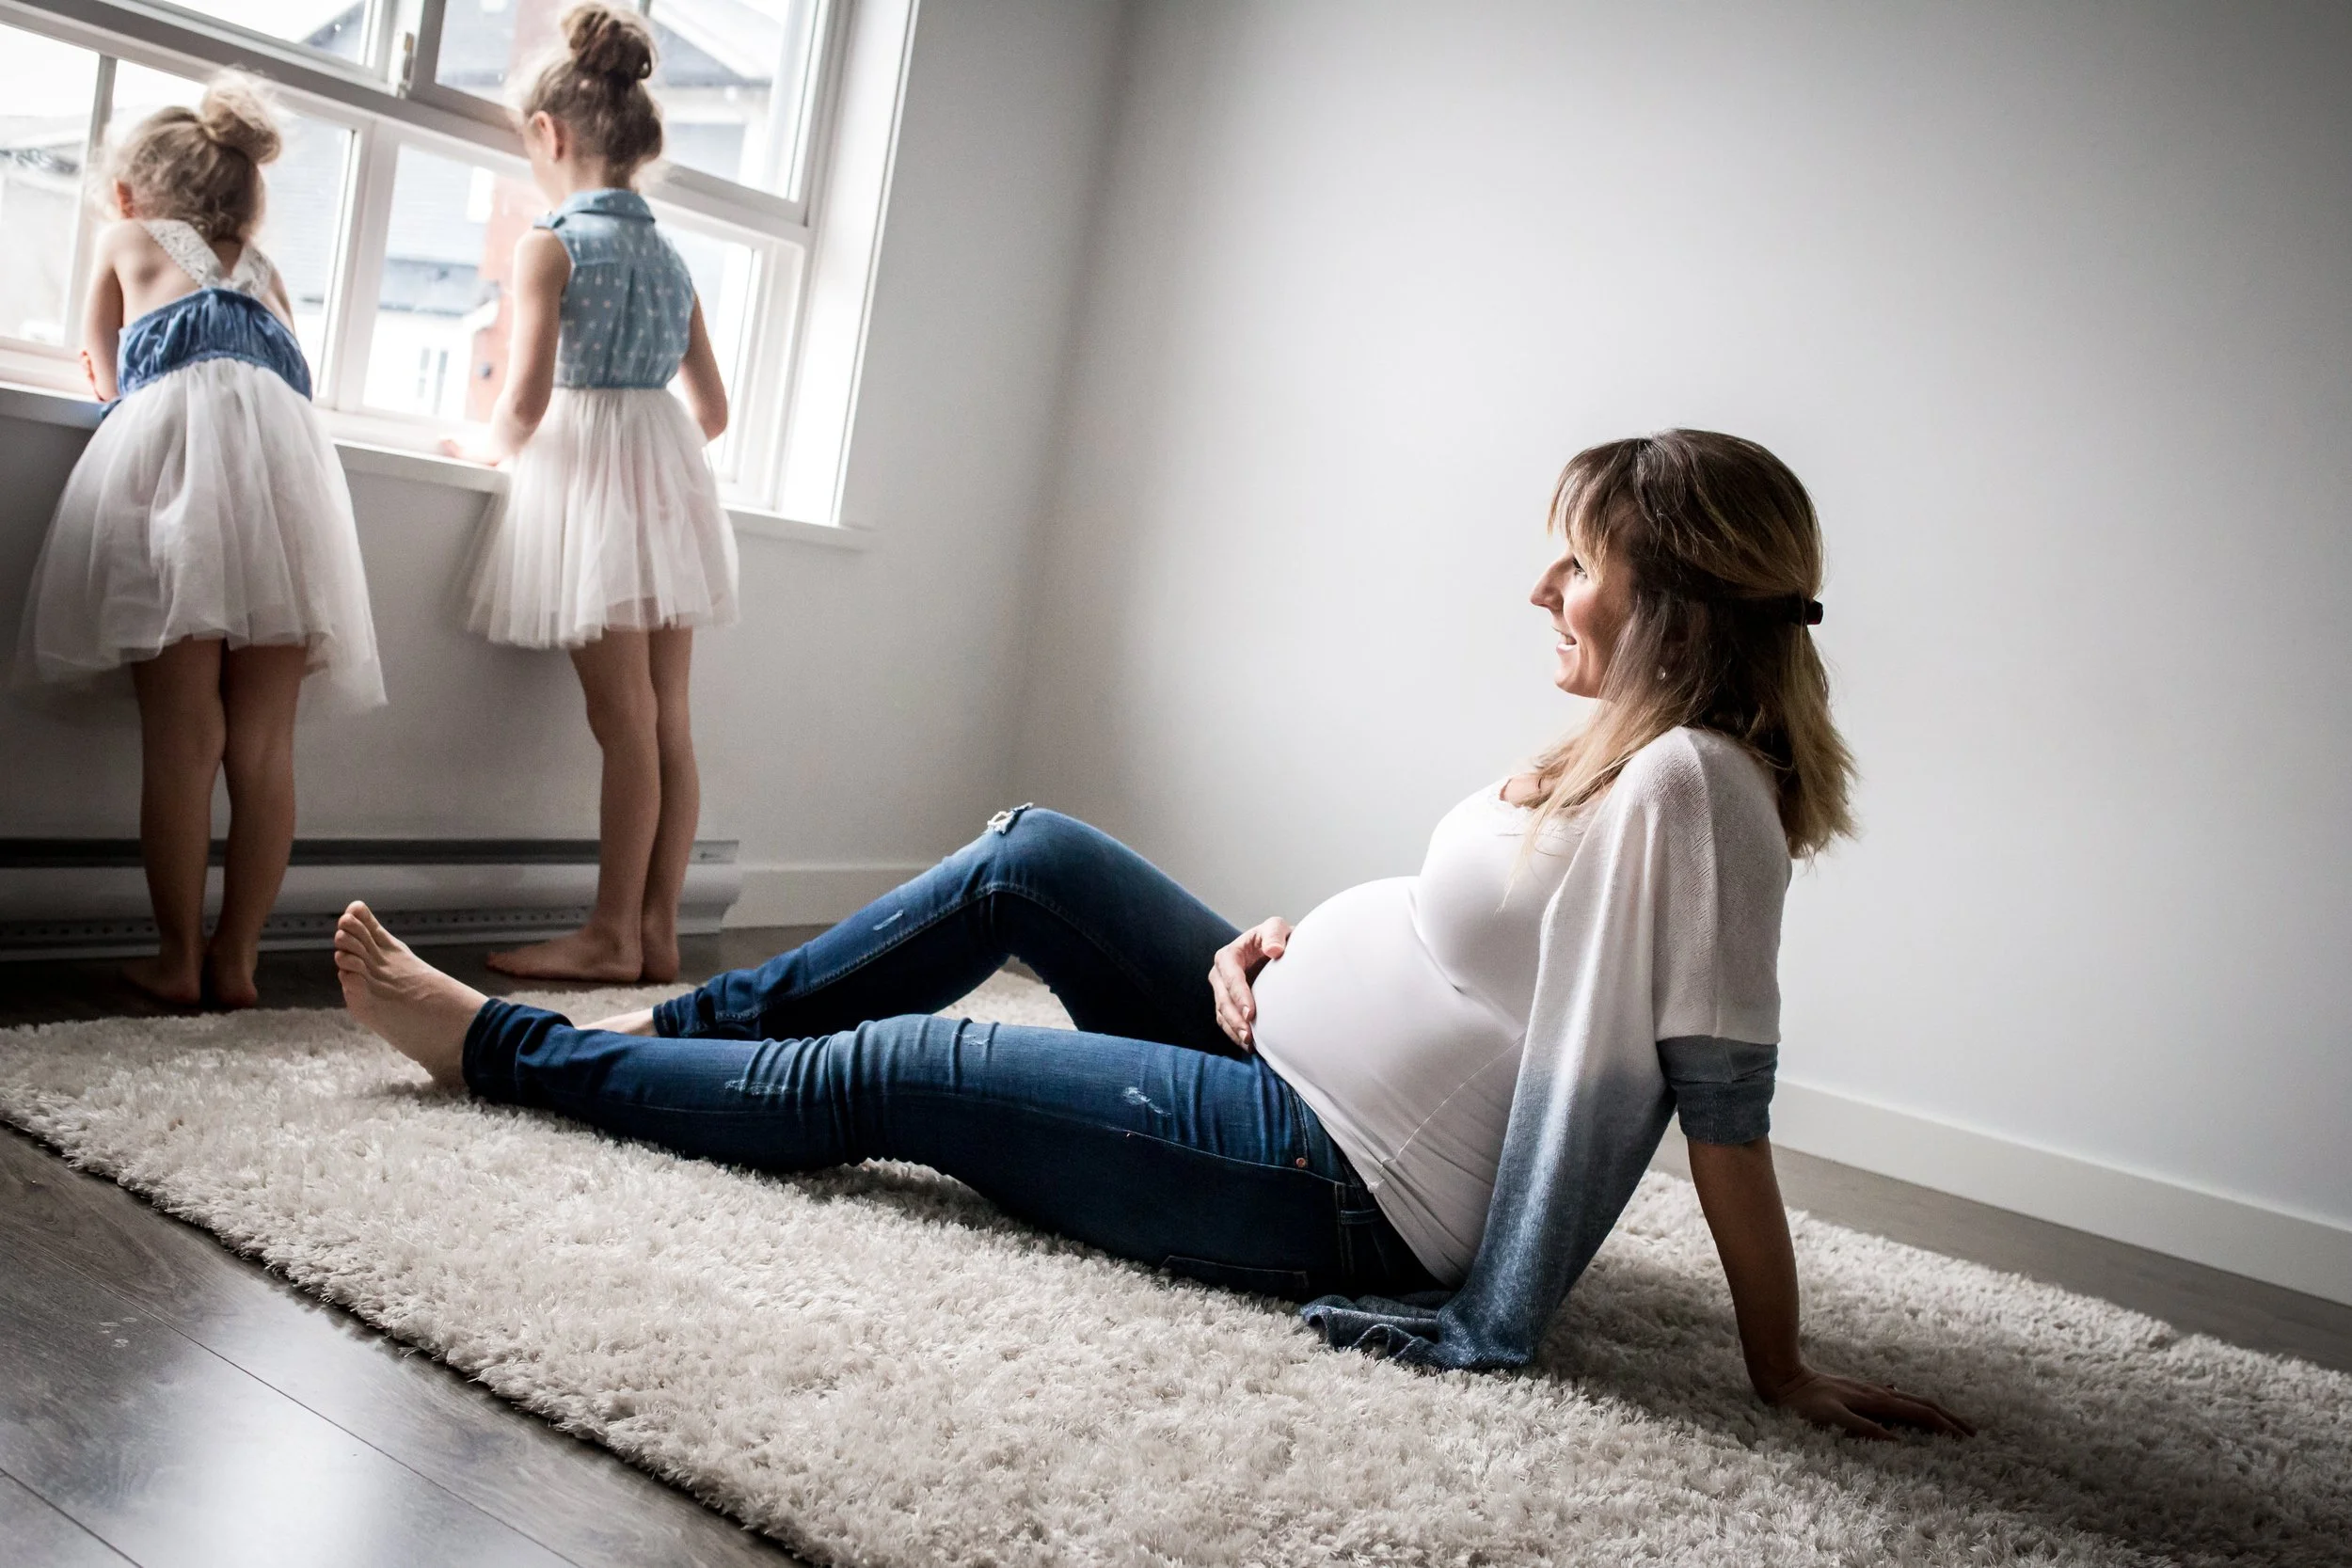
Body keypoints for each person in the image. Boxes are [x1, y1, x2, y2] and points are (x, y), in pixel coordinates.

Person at [338, 430, 1972, 1438]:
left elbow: (1721, 1099)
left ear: (1672, 595)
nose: (1547, 585)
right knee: (1028, 856)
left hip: (1341, 1181)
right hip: (1277, 1048)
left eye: (1584, 560)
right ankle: (675, 1043)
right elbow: (1484, 955)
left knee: (910, 1071)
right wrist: (1284, 952)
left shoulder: (1698, 783)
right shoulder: (1625, 747)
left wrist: (1782, 1360)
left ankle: (513, 1050)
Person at [14, 72, 384, 1008]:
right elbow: (285, 382)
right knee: (263, 747)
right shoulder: (266, 274)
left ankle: (178, 957)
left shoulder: (123, 238)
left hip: (180, 486)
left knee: (182, 739)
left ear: (131, 194)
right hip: (286, 495)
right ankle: (239, 960)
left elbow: (103, 368)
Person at [445, 1, 738, 985]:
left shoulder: (550, 244)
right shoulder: (671, 258)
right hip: (667, 476)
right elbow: (715, 409)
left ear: (548, 133)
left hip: (591, 481)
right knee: (668, 721)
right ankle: (658, 930)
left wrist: (489, 445)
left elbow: (524, 399)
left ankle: (611, 931)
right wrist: (653, 462)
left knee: (622, 725)